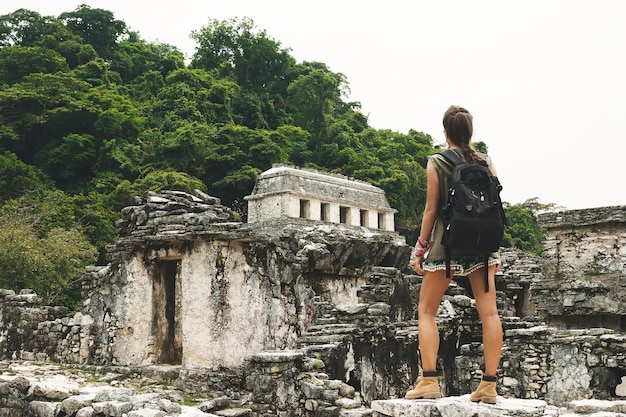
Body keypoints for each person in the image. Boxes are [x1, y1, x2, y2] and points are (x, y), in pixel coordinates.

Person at [405, 105, 503, 403]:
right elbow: (496, 208)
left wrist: (420, 249)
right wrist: (496, 250)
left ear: (445, 131)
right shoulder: (486, 162)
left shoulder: (437, 162)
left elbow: (432, 209)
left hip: (446, 247)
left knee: (426, 311)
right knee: (489, 313)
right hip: (482, 245)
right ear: (469, 132)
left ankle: (429, 381)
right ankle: (488, 385)